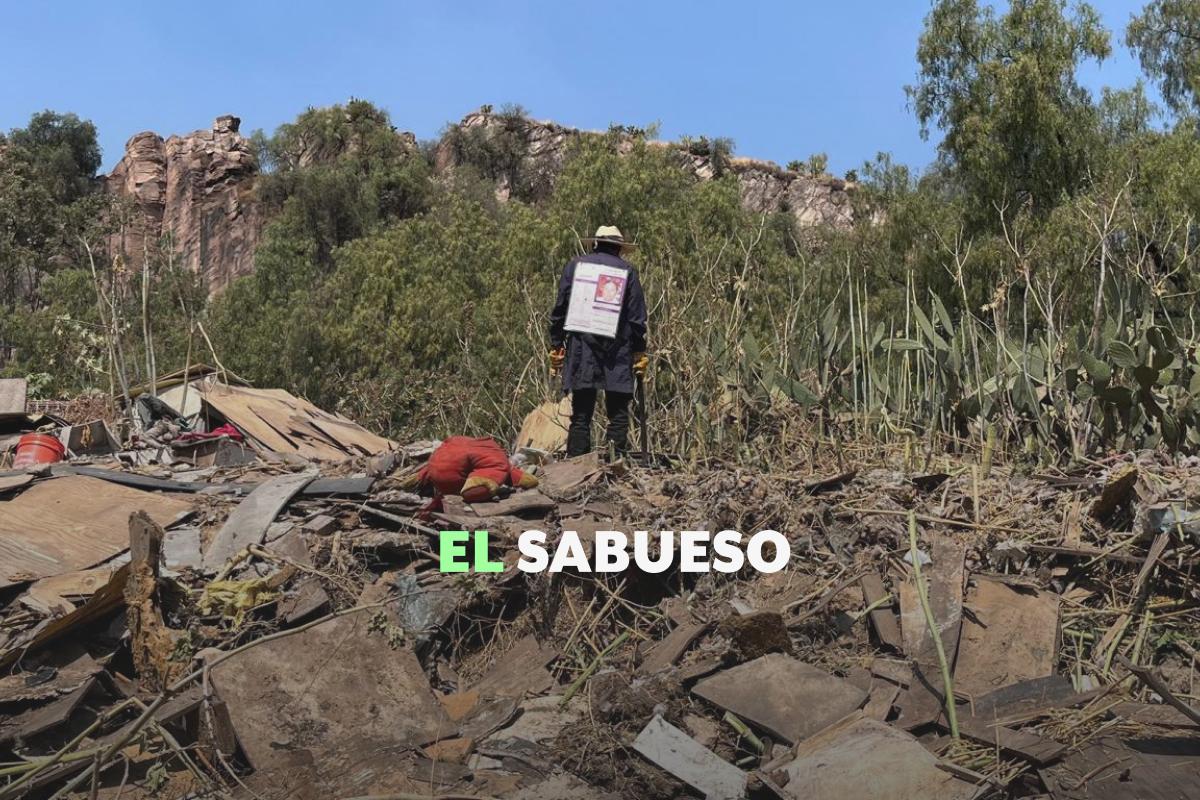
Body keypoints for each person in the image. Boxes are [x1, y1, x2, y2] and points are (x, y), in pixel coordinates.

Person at [549, 225, 648, 457]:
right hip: (618, 350)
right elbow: (636, 318)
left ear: (595, 244)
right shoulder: (628, 271)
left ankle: (577, 466)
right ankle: (615, 465)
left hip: (582, 348)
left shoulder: (575, 266)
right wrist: (639, 351)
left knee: (581, 413)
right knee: (618, 412)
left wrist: (556, 344)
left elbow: (560, 308)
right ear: (619, 249)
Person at [414, 436, 538, 508]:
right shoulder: (497, 458)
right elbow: (503, 470)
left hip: (437, 463)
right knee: (489, 474)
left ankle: (416, 480)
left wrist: (420, 476)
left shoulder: (457, 446)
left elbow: (510, 472)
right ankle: (474, 486)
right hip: (451, 474)